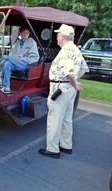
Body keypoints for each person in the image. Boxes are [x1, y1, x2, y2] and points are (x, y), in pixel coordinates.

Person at [39, 24, 89, 159]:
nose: (56, 37)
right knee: (67, 119)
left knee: (54, 120)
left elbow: (70, 73)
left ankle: (53, 149)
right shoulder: (75, 50)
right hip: (69, 89)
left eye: (57, 35)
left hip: (61, 88)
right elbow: (84, 68)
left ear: (62, 37)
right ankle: (66, 145)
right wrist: (75, 84)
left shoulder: (66, 51)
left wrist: (74, 82)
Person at [0, 27, 40, 94]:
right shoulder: (17, 42)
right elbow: (11, 54)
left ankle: (0, 76)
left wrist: (22, 59)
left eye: (28, 33)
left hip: (25, 64)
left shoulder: (32, 42)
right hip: (15, 63)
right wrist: (13, 59)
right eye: (25, 32)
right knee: (7, 64)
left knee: (6, 58)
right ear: (20, 33)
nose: (26, 34)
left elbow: (35, 57)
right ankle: (7, 87)